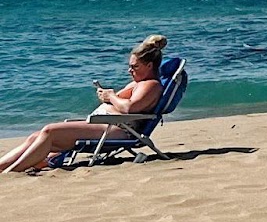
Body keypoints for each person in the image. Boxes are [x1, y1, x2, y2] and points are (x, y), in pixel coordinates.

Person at [1, 35, 167, 174]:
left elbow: (130, 108)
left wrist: (111, 96)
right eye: (130, 66)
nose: (130, 71)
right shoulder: (139, 83)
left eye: (134, 67)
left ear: (149, 65)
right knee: (36, 136)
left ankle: (12, 172)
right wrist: (107, 97)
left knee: (49, 131)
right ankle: (2, 167)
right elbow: (121, 103)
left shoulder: (150, 84)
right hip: (106, 126)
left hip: (118, 131)